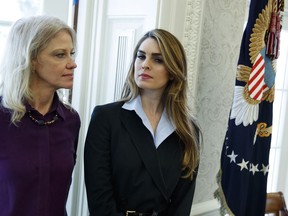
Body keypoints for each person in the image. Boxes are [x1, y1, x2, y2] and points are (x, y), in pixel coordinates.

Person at [84, 28, 201, 216]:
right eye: (141, 56)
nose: (145, 65)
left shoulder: (187, 130)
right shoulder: (106, 118)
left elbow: (182, 203)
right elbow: (99, 198)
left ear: (173, 71)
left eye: (157, 59)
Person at [0, 15, 81, 216]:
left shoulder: (70, 120)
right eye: (60, 55)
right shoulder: (2, 118)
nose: (73, 64)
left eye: (71, 53)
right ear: (31, 59)